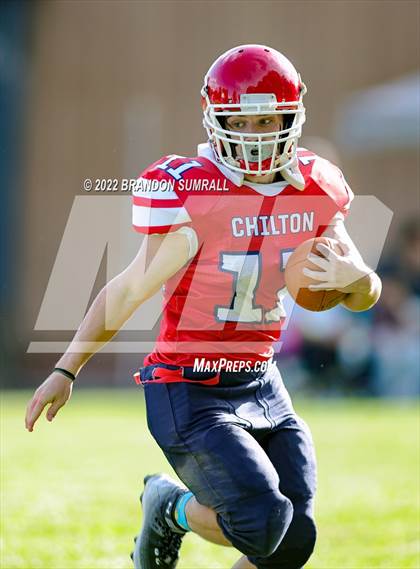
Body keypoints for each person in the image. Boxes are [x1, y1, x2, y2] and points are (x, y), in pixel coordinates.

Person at [25, 45, 382, 569]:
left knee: (294, 540)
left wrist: (361, 279)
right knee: (261, 521)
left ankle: (178, 510)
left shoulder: (315, 188)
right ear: (216, 122)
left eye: (268, 120)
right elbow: (127, 290)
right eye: (241, 122)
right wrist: (66, 368)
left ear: (292, 118)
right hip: (189, 386)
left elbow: (363, 291)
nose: (255, 136)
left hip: (261, 380)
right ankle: (169, 507)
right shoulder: (192, 192)